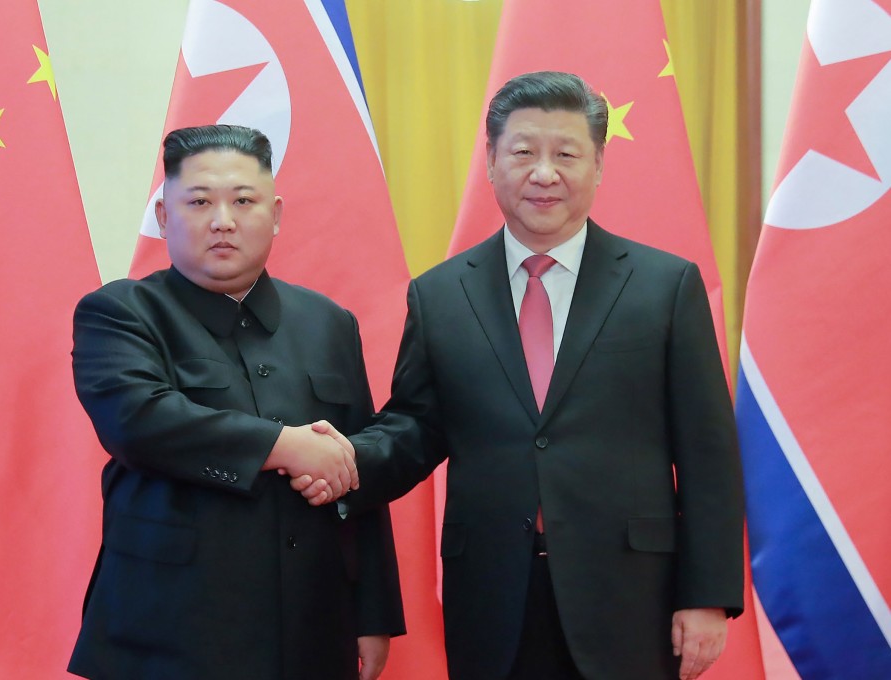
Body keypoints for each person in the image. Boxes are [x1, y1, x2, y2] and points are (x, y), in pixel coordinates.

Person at [303, 71, 745, 680]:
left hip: (630, 593)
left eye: (566, 154)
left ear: (598, 165)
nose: (544, 173)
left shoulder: (665, 286)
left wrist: (707, 595)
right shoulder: (441, 295)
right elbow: (417, 426)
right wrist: (346, 459)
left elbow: (709, 450)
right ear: (490, 161)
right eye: (523, 152)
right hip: (491, 589)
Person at [67, 124, 405, 680]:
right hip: (168, 630)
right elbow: (138, 421)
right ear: (163, 216)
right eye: (199, 201)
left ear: (274, 215)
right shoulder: (121, 312)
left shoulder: (328, 322)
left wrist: (373, 613)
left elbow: (354, 469)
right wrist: (285, 447)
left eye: (243, 201)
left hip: (311, 628)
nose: (222, 220)